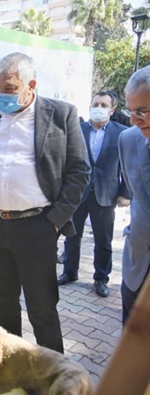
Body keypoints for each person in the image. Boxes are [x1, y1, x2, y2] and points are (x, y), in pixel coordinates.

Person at [0, 52, 90, 353]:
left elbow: (80, 172)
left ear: (31, 84)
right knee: (2, 301)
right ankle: (10, 363)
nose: (1, 95)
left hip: (38, 227)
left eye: (9, 88)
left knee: (41, 307)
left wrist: (53, 222)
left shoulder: (61, 114)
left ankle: (53, 373)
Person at [58, 92, 130, 298]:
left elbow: (128, 167)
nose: (98, 107)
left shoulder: (122, 134)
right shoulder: (76, 130)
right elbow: (66, 162)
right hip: (77, 193)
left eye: (103, 104)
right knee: (72, 236)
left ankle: (101, 279)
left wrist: (125, 193)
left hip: (106, 194)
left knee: (103, 240)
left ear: (112, 109)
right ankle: (69, 272)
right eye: (95, 104)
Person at [118, 65, 150, 324]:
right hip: (137, 265)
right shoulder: (128, 140)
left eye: (142, 111)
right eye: (131, 111)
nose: (133, 120)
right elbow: (138, 197)